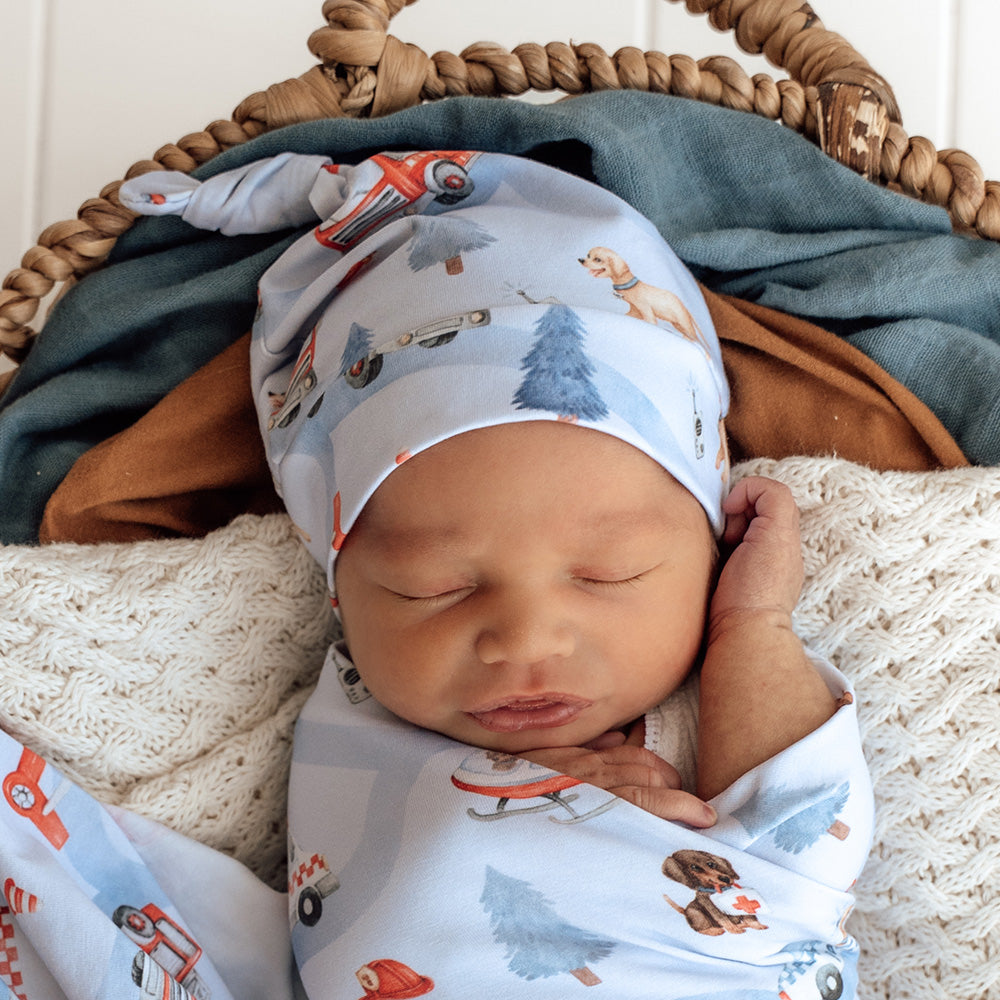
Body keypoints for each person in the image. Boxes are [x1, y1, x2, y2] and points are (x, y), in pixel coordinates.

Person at [121, 148, 874, 998]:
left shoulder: (718, 695)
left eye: (608, 573)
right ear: (340, 587)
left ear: (709, 548)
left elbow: (807, 832)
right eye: (432, 585)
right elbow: (375, 918)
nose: (524, 639)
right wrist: (543, 822)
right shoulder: (361, 730)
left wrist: (753, 624)